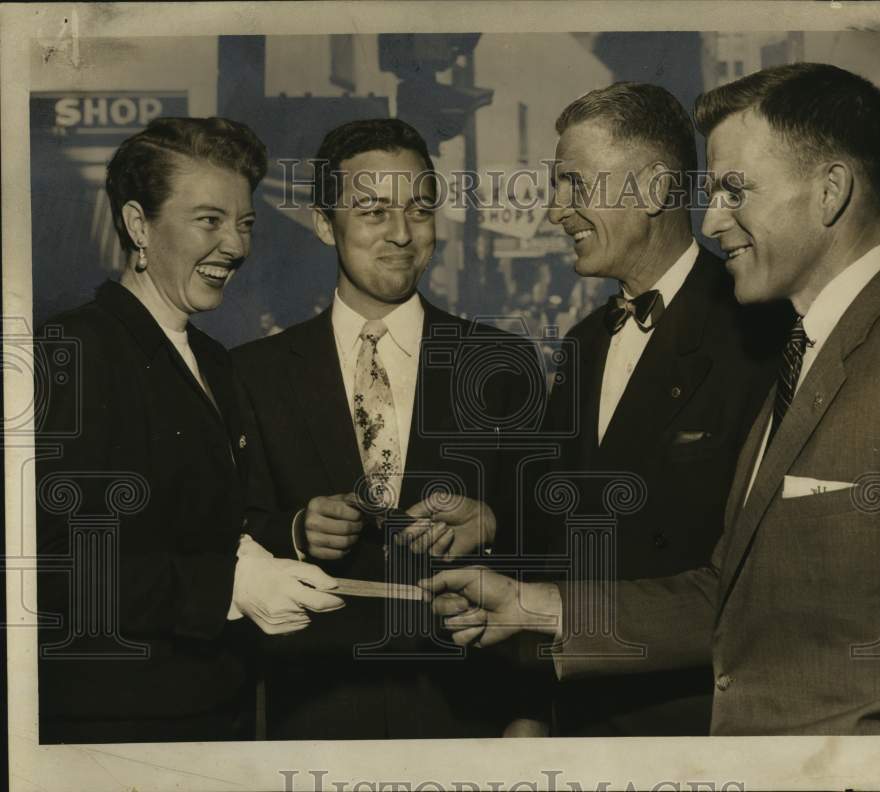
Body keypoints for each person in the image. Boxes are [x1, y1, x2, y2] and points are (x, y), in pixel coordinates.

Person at [424, 63, 880, 736]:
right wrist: (536, 609)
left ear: (830, 192)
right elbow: (726, 592)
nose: (711, 218)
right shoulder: (809, 345)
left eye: (735, 189)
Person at [35, 117, 345, 744]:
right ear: (137, 225)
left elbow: (209, 523)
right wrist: (231, 585)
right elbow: (60, 566)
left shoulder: (214, 362)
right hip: (115, 728)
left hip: (215, 714)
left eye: (245, 222)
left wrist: (276, 543)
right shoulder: (73, 351)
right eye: (209, 220)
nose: (236, 245)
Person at [232, 118, 535, 739]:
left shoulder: (501, 364)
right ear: (325, 224)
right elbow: (225, 531)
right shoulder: (253, 374)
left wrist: (494, 520)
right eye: (372, 211)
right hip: (316, 706)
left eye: (420, 209)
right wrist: (296, 528)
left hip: (469, 703)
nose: (401, 234)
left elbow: (559, 529)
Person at [508, 82, 784, 737]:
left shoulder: (763, 337)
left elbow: (760, 591)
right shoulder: (580, 345)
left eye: (576, 184)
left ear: (655, 191)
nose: (556, 211)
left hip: (696, 732)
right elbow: (549, 547)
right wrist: (526, 707)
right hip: (576, 718)